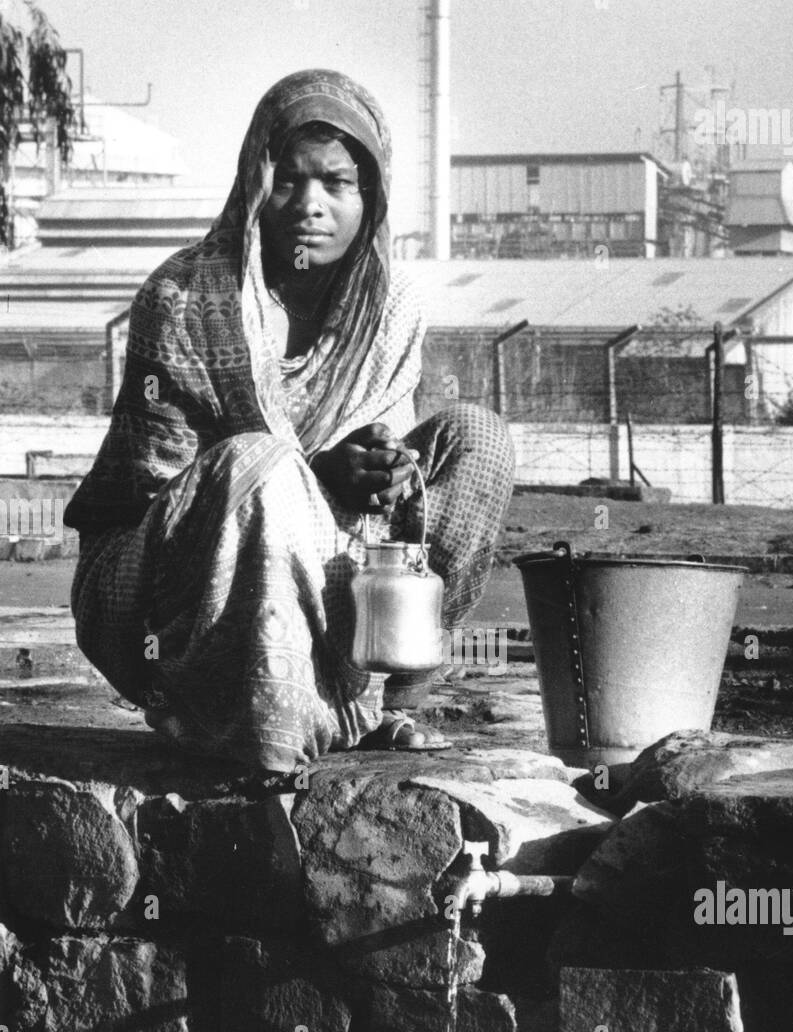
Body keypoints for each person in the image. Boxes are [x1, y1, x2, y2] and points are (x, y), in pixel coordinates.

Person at [63, 69, 515, 776]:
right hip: (159, 595)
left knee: (475, 437)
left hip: (329, 576)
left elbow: (377, 488)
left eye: (337, 183)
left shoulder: (389, 307)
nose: (310, 205)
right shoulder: (185, 297)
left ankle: (386, 703)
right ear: (254, 185)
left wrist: (383, 471)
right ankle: (253, 728)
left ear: (370, 198)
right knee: (261, 464)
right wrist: (311, 473)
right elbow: (165, 494)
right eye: (288, 181)